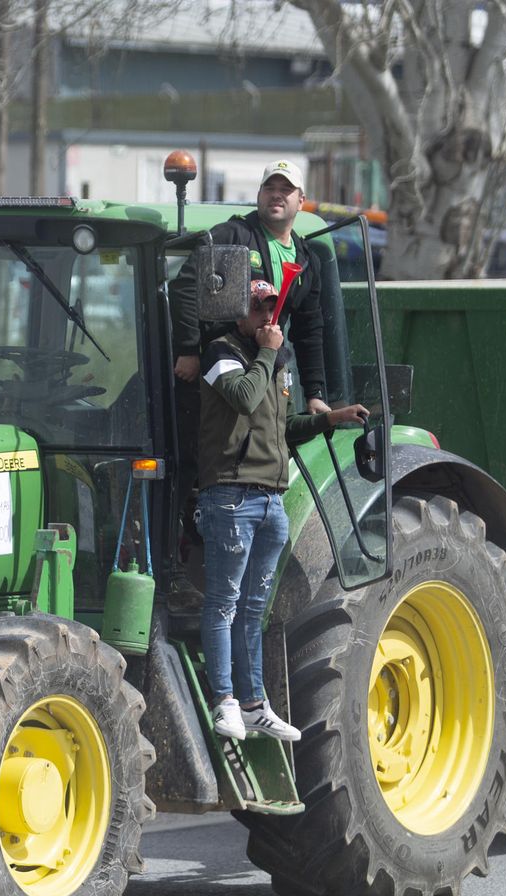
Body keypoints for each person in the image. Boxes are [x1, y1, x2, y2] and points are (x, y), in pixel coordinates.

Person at [197, 279, 368, 742]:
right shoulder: (221, 352)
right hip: (231, 494)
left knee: (254, 609)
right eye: (258, 309)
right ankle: (225, 701)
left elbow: (283, 426)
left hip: (271, 498)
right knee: (224, 604)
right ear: (240, 313)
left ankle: (254, 705)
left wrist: (329, 419)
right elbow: (243, 398)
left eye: (273, 309)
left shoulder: (276, 359)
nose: (267, 318)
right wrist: (270, 353)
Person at [167, 159, 331, 613]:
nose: (276, 195)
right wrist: (189, 349)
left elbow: (312, 329)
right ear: (259, 195)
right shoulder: (233, 237)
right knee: (181, 460)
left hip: (266, 374)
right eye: (269, 187)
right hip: (218, 371)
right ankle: (173, 566)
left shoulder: (305, 259)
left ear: (300, 200)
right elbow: (184, 287)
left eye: (286, 189)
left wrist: (315, 392)